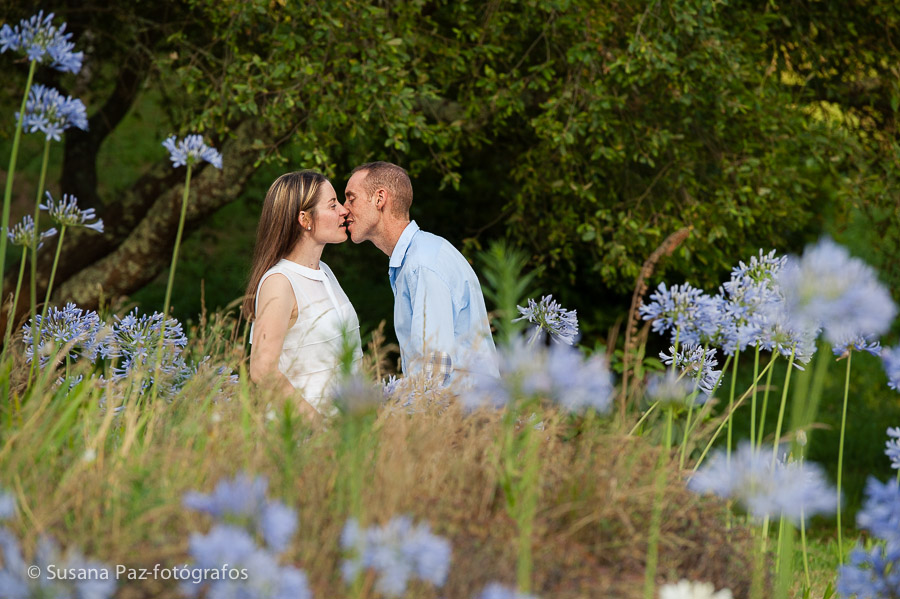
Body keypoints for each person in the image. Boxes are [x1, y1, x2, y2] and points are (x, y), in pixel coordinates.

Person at [343, 161, 499, 385]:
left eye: (351, 198)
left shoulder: (421, 264)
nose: (344, 208)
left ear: (379, 199)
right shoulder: (416, 257)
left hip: (464, 413)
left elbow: (436, 366)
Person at [243, 170, 362, 420]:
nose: (344, 211)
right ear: (304, 219)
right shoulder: (279, 282)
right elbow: (262, 369)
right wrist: (319, 427)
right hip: (303, 437)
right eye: (332, 205)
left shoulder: (325, 272)